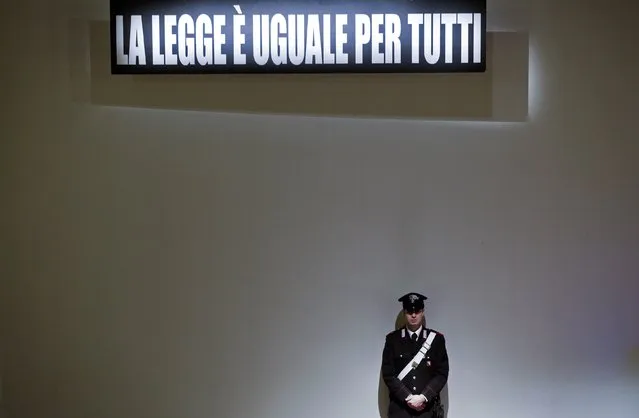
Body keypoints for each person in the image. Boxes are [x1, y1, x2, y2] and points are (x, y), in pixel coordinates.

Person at [381, 292, 449, 418]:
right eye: (409, 311)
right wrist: (408, 397)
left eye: (417, 311)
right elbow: (388, 373)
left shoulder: (436, 340)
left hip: (427, 410)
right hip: (400, 410)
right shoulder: (392, 340)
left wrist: (424, 397)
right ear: (404, 312)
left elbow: (442, 373)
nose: (413, 315)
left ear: (422, 312)